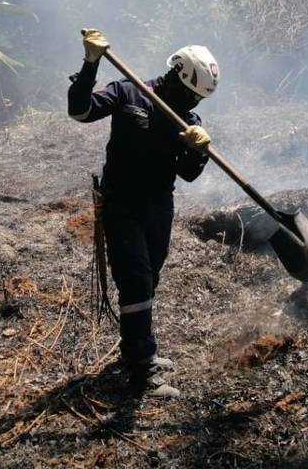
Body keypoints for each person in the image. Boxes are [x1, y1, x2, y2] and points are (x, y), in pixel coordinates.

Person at [68, 29, 218, 397]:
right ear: (178, 79)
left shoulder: (187, 119)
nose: (193, 101)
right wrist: (90, 65)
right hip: (122, 203)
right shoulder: (128, 91)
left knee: (148, 278)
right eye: (191, 94)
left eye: (198, 98)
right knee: (135, 279)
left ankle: (136, 347)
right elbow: (80, 110)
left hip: (158, 206)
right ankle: (142, 370)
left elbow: (187, 173)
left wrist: (198, 149)